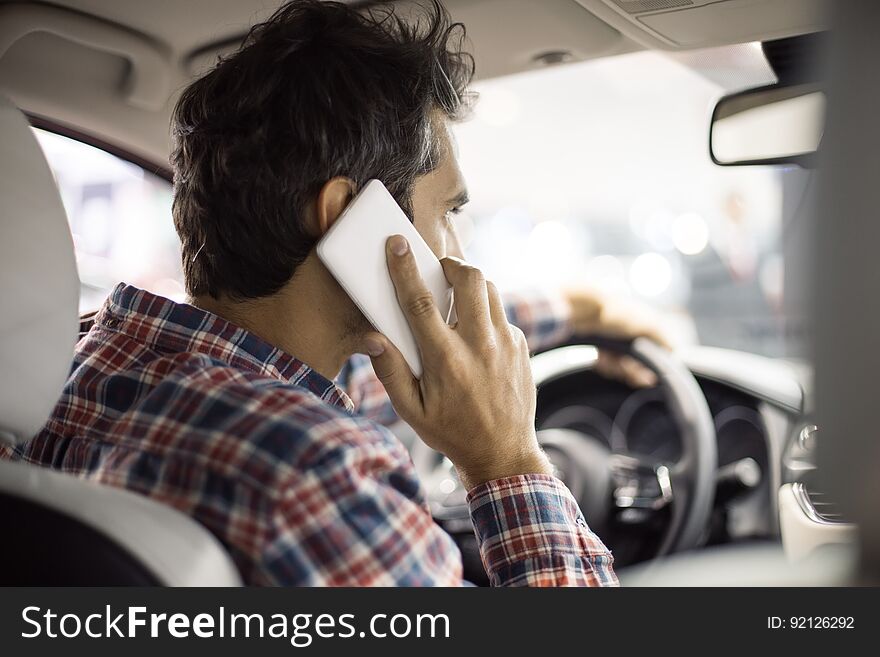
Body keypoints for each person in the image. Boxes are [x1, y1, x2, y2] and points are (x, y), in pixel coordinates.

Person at [1, 0, 664, 586]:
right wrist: (506, 461)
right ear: (350, 218)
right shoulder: (313, 471)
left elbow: (343, 380)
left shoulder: (71, 360)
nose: (457, 250)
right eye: (448, 213)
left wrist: (582, 310)